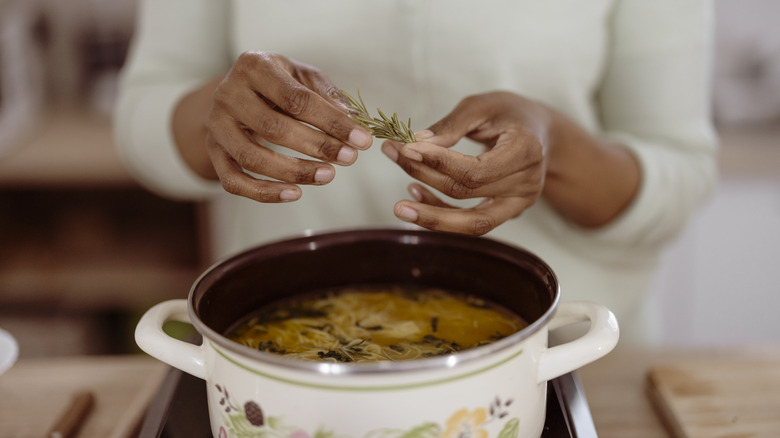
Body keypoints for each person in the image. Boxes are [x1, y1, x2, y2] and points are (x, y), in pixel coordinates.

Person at [113, 1, 718, 345]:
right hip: (287, 342)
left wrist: (552, 147)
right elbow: (141, 117)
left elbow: (680, 174)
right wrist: (217, 117)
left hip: (560, 347)